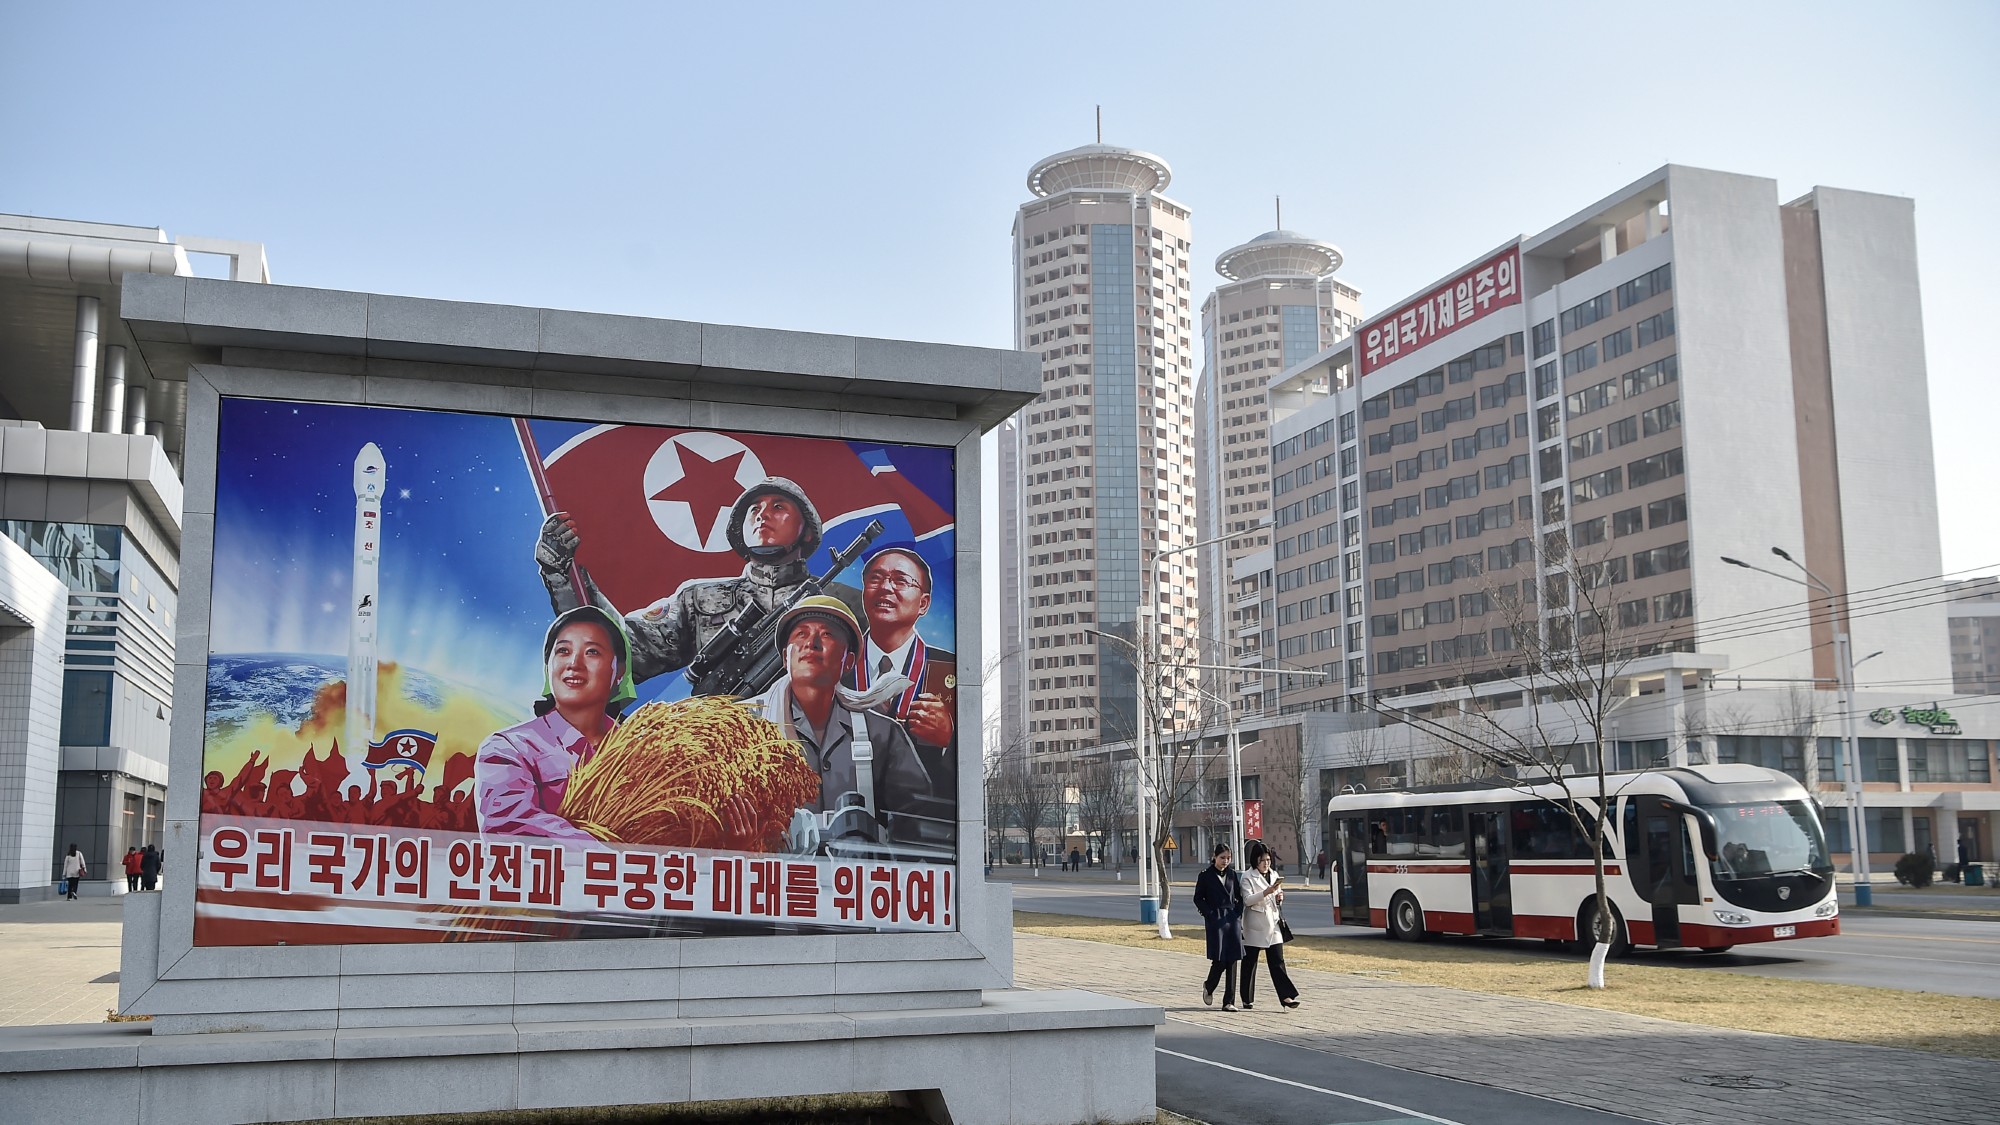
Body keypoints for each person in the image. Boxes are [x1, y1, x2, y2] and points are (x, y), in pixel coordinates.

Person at [536, 477, 863, 685]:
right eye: (754, 510)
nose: (763, 515)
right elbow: (624, 651)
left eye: (779, 507)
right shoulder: (698, 598)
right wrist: (562, 575)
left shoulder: (846, 603)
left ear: (807, 531)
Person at [747, 596, 936, 854]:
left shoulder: (881, 734)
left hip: (858, 877)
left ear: (848, 661)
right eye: (801, 634)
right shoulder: (745, 727)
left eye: (826, 635)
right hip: (773, 876)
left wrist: (876, 847)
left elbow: (921, 823)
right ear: (785, 658)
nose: (811, 643)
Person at [476, 606, 636, 842]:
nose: (574, 663)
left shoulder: (641, 751)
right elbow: (510, 826)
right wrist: (614, 856)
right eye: (563, 651)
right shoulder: (508, 749)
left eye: (592, 652)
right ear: (548, 666)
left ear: (619, 671)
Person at [850, 548, 956, 794]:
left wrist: (949, 739)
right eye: (875, 579)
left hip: (920, 811)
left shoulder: (949, 669)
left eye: (900, 580)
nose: (885, 587)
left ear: (923, 603)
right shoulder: (837, 667)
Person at [1239, 842, 1301, 1010]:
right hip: (1255, 925)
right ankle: (1247, 998)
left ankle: (1286, 997)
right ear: (1255, 861)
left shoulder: (1274, 875)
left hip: (1273, 924)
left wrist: (1279, 897)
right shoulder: (1247, 877)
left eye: (1268, 860)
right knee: (1250, 963)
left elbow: (1276, 896)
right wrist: (1266, 892)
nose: (1266, 863)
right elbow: (1247, 900)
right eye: (1262, 860)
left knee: (1277, 961)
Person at [1192, 843, 1246, 1012]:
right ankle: (1209, 985)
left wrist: (1237, 913)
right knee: (1220, 959)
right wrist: (1209, 913)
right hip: (1216, 920)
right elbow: (1198, 898)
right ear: (1214, 857)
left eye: (1228, 858)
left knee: (1233, 959)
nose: (1225, 861)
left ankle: (1229, 1001)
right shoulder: (1205, 876)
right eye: (1222, 858)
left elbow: (1239, 897)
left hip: (1232, 920)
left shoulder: (1232, 874)